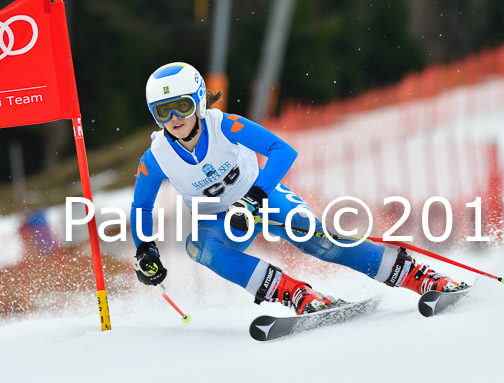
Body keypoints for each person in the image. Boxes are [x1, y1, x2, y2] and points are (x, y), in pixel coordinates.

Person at [131, 62, 465, 315]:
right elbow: (141, 208)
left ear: (200, 101)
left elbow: (282, 151)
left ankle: (420, 277)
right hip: (220, 219)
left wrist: (254, 198)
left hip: (262, 198)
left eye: (183, 106)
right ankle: (297, 294)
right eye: (163, 111)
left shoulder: (225, 125)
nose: (174, 117)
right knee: (200, 248)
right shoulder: (156, 157)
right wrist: (146, 249)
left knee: (319, 243)